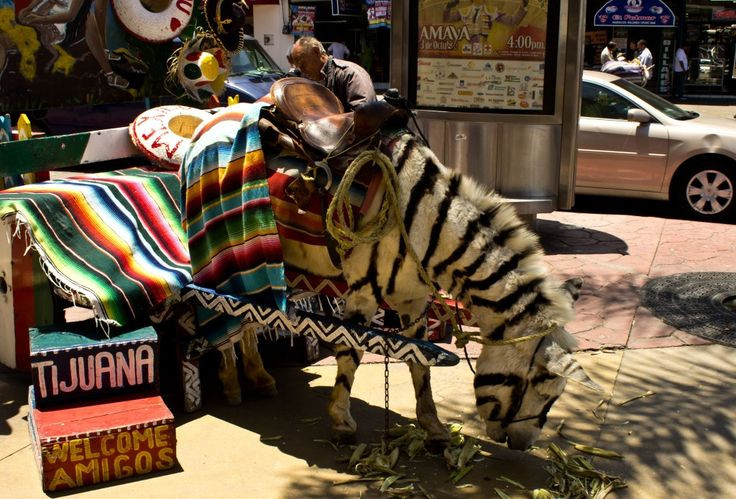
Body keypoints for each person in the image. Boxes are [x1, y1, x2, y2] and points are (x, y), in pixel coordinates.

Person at [287, 36, 376, 111]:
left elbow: (363, 115)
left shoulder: (350, 74)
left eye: (303, 64)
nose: (302, 70)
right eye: (299, 66)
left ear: (316, 51)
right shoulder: (307, 80)